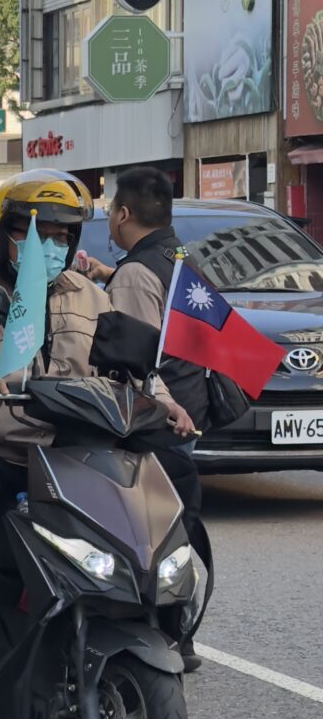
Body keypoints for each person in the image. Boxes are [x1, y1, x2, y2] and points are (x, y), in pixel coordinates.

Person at [0, 173, 198, 679]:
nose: (53, 244)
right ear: (3, 232)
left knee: (172, 466)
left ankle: (164, 601)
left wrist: (165, 403)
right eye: (37, 232)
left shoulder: (90, 295)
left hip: (71, 449)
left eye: (64, 236)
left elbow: (130, 366)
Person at [103, 165, 212, 667]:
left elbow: (134, 359)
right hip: (191, 408)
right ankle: (181, 633)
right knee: (180, 527)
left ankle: (161, 637)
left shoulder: (134, 273)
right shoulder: (180, 256)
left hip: (157, 418)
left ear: (124, 214)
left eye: (109, 208)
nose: (108, 216)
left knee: (150, 534)